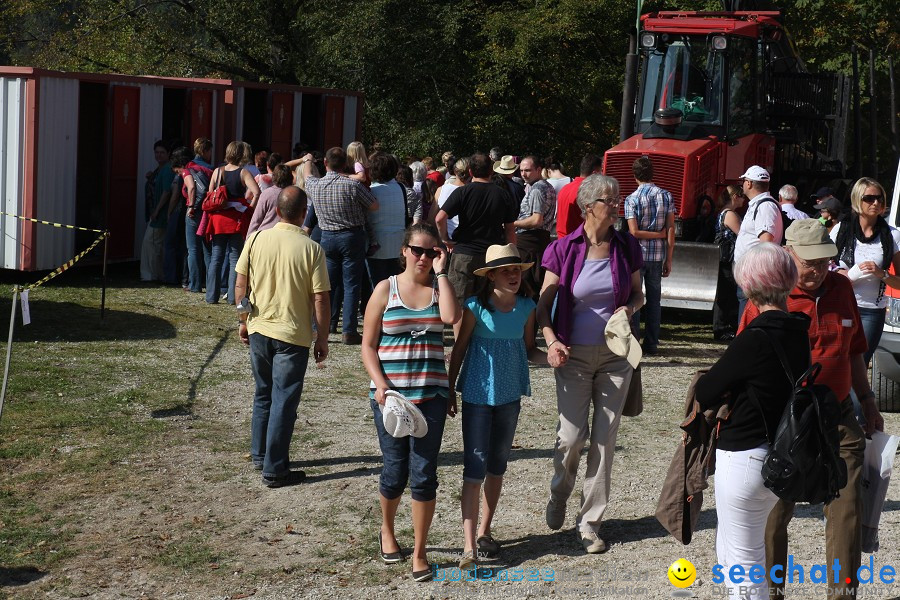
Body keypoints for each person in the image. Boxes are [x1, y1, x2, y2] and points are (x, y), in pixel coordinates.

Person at [739, 220, 885, 600]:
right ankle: (771, 590)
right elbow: (743, 362)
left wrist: (867, 400)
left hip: (837, 414)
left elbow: (854, 351)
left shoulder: (841, 289)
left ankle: (842, 593)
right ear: (789, 254)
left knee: (847, 504)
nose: (818, 269)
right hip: (785, 420)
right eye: (810, 262)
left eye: (824, 261)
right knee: (775, 508)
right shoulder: (769, 297)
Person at [696, 242, 810, 600]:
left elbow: (707, 390)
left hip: (745, 457)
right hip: (778, 456)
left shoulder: (755, 337)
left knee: (743, 567)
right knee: (736, 556)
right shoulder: (797, 332)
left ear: (750, 284)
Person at [538, 174, 644, 554]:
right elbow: (542, 307)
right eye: (609, 200)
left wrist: (627, 310)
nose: (616, 205)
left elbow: (638, 295)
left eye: (618, 198)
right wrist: (551, 342)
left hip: (617, 357)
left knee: (604, 439)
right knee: (571, 438)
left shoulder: (626, 246)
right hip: (573, 355)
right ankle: (559, 493)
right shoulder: (563, 249)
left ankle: (590, 523)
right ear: (587, 207)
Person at [361, 223, 461, 582]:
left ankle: (419, 552)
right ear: (403, 250)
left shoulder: (439, 290)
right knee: (394, 471)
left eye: (432, 252)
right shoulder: (385, 289)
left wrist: (443, 273)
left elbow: (451, 319)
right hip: (391, 398)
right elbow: (368, 345)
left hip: (431, 396)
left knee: (424, 475)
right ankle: (387, 530)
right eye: (417, 250)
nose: (423, 257)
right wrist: (381, 385)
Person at [448, 244, 545, 571]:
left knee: (497, 467)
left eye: (517, 269)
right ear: (490, 276)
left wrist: (556, 358)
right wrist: (449, 388)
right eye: (507, 270)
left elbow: (531, 349)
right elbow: (459, 350)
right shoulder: (474, 307)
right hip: (476, 396)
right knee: (474, 470)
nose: (514, 275)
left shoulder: (527, 307)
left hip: (509, 398)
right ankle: (468, 545)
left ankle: (486, 531)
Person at [234, 185, 330, 488]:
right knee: (284, 400)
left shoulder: (256, 239)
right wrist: (323, 337)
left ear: (277, 211)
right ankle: (275, 469)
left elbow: (240, 285)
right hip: (292, 334)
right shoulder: (312, 248)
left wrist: (242, 320)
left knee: (263, 393)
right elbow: (321, 299)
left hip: (260, 327)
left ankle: (261, 454)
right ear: (304, 214)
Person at [435, 153, 518, 337]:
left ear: (470, 171)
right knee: (489, 302)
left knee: (460, 303)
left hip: (464, 253)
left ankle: (460, 347)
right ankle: (487, 341)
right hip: (493, 255)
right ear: (491, 170)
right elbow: (510, 229)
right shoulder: (502, 194)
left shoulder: (463, 192)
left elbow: (439, 218)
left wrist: (446, 239)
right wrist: (512, 256)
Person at [304, 147, 379, 344]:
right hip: (351, 236)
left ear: (326, 164)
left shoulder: (315, 185)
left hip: (327, 236)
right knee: (351, 284)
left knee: (326, 285)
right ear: (345, 165)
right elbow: (374, 205)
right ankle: (349, 330)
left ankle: (320, 327)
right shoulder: (351, 186)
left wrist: (307, 160)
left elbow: (307, 174)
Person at [831, 177, 900, 367]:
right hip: (841, 305)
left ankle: (856, 397)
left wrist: (882, 274)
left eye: (880, 199)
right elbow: (824, 264)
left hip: (872, 311)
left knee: (859, 364)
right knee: (838, 361)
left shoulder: (892, 235)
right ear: (857, 200)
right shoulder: (840, 230)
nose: (876, 203)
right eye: (869, 198)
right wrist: (840, 272)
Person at [624, 156, 674, 355]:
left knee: (635, 299)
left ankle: (634, 342)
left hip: (636, 256)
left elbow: (634, 232)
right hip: (657, 255)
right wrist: (668, 257)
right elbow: (670, 228)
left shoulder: (632, 198)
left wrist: (655, 234)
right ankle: (652, 343)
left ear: (634, 175)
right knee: (654, 301)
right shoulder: (666, 196)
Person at [205, 141, 261, 304]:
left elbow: (210, 194)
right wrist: (248, 210)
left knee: (216, 257)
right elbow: (257, 192)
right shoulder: (243, 173)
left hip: (218, 219)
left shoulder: (217, 171)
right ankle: (232, 297)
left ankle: (211, 296)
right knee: (235, 258)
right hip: (236, 218)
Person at [734, 165, 782, 321]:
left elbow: (766, 242)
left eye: (744, 181)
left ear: (748, 183)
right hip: (750, 271)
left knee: (750, 312)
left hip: (753, 273)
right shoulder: (759, 204)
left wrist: (756, 272)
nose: (742, 185)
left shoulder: (765, 206)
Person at [514, 156, 556, 298]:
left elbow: (537, 220)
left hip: (530, 244)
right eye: (521, 170)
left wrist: (511, 224)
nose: (523, 174)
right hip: (537, 242)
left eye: (527, 170)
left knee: (527, 289)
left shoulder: (538, 189)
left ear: (538, 170)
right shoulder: (543, 186)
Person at [367, 152, 407, 285]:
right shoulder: (401, 188)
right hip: (398, 242)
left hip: (376, 244)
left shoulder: (371, 190)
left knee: (376, 285)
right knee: (395, 285)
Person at [712, 185, 745, 340]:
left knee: (725, 293)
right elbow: (742, 234)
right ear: (735, 197)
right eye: (741, 196)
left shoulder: (724, 212)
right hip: (727, 259)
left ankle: (723, 327)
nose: (743, 199)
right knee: (726, 293)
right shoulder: (730, 214)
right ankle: (722, 328)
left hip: (724, 258)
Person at [182, 139, 214, 293]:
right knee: (208, 249)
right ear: (206, 151)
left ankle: (194, 285)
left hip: (193, 211)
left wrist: (190, 206)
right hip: (208, 211)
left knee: (193, 249)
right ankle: (211, 285)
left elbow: (191, 187)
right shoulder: (212, 169)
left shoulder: (189, 167)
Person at [140, 140, 173, 282]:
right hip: (155, 213)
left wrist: (157, 210)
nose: (159, 155)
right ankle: (158, 273)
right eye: (157, 152)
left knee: (150, 244)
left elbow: (166, 192)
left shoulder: (167, 169)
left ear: (168, 154)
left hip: (159, 215)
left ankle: (150, 275)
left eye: (162, 153)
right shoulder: (158, 170)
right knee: (156, 245)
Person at [556, 154, 602, 238]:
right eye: (601, 173)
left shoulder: (565, 188)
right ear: (595, 173)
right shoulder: (588, 191)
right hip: (577, 242)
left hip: (562, 240)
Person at [248, 164, 294, 235]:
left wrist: (249, 239)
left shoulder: (267, 193)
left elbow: (256, 219)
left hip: (265, 234)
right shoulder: (294, 194)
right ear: (291, 178)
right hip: (286, 235)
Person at [432, 157, 468, 232]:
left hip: (445, 238)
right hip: (466, 239)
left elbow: (431, 218)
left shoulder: (441, 190)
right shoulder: (473, 192)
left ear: (455, 171)